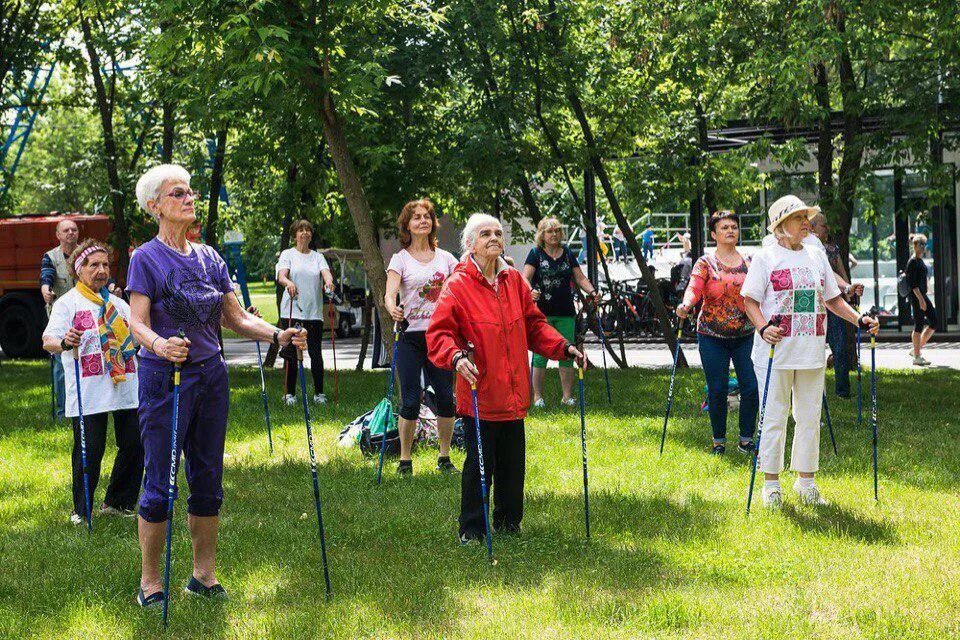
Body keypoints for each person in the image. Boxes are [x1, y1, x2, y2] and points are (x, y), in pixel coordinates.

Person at [127, 164, 306, 608]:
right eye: (177, 194)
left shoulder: (210, 257)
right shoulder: (145, 258)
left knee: (207, 477)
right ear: (155, 206)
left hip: (211, 375)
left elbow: (236, 316)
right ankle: (150, 583)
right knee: (159, 479)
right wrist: (158, 344)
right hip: (165, 377)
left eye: (190, 192)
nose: (189, 199)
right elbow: (135, 323)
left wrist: (278, 335)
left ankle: (203, 576)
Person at [427, 213, 585, 542]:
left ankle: (509, 524)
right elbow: (439, 335)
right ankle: (472, 529)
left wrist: (562, 347)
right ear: (471, 244)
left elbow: (534, 325)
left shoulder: (513, 280)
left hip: (513, 393)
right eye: (485, 234)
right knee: (480, 466)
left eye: (498, 233)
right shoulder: (457, 285)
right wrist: (455, 357)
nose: (494, 238)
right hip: (479, 392)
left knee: (513, 466)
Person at [740, 195, 878, 509]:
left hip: (812, 350)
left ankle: (806, 482)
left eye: (806, 217)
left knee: (809, 418)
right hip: (775, 352)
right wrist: (763, 328)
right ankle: (771, 485)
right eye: (798, 218)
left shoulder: (816, 256)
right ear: (779, 226)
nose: (806, 223)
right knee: (774, 417)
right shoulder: (766, 257)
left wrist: (859, 319)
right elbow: (749, 300)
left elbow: (831, 299)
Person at [42, 239, 143, 525]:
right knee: (90, 449)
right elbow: (48, 340)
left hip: (125, 384)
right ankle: (81, 510)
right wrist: (64, 342)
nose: (101, 270)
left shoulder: (120, 305)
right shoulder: (67, 303)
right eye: (94, 265)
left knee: (135, 443)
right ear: (79, 269)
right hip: (89, 390)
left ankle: (118, 502)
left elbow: (139, 335)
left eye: (105, 265)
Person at [384, 198, 459, 475]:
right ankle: (405, 460)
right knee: (411, 399)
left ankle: (445, 457)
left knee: (446, 397)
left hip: (440, 336)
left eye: (426, 216)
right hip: (410, 336)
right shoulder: (399, 259)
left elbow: (462, 288)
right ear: (407, 225)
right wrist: (393, 308)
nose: (422, 221)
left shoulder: (447, 259)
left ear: (433, 223)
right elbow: (390, 294)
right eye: (416, 217)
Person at [676, 211, 758, 456]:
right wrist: (686, 304)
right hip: (712, 334)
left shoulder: (750, 262)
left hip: (744, 334)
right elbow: (694, 287)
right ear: (714, 234)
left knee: (751, 386)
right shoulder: (705, 263)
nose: (730, 231)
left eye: (734, 226)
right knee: (718, 388)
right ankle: (718, 441)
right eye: (724, 228)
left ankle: (746, 440)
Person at [522, 216, 598, 408]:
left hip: (566, 311)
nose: (554, 234)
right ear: (542, 234)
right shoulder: (535, 254)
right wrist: (530, 291)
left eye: (557, 230)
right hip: (542, 314)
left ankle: (567, 397)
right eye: (550, 231)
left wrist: (592, 291)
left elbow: (579, 277)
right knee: (540, 356)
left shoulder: (567, 254)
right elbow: (524, 279)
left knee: (568, 353)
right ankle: (538, 398)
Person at [276, 220, 336, 405]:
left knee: (316, 353)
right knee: (292, 353)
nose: (305, 233)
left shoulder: (317, 257)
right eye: (301, 230)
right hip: (292, 311)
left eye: (308, 230)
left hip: (313, 312)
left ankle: (319, 394)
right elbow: (281, 276)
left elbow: (326, 273)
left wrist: (328, 282)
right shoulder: (288, 254)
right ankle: (289, 394)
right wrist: (289, 283)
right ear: (295, 234)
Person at [809, 213, 863, 397]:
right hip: (813, 307)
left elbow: (838, 272)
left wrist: (849, 293)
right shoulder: (803, 249)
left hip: (833, 303)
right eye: (824, 226)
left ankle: (842, 390)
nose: (827, 229)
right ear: (812, 227)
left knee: (839, 347)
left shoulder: (831, 249)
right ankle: (815, 393)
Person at [40, 219, 79, 419]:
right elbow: (46, 278)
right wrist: (46, 291)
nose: (70, 232)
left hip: (84, 316)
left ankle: (86, 408)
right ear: (58, 234)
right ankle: (63, 412)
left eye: (74, 229)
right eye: (66, 230)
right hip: (61, 318)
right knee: (61, 365)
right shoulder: (50, 257)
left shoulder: (86, 254)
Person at [906, 233, 936, 366]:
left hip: (923, 295)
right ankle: (917, 357)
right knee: (918, 325)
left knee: (934, 322)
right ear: (914, 245)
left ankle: (916, 349)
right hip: (917, 296)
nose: (923, 247)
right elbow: (913, 285)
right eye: (920, 244)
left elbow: (923, 279)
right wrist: (921, 300)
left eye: (924, 244)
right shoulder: (912, 262)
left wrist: (927, 293)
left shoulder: (920, 261)